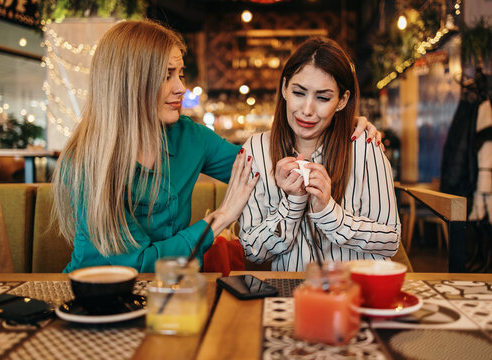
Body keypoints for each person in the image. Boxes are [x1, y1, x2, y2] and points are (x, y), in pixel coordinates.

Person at [52, 20, 383, 273]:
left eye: (180, 73)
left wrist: (340, 123)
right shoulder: (86, 160)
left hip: (171, 288)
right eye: (167, 75)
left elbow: (271, 169)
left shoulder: (190, 137)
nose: (181, 87)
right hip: (93, 294)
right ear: (130, 83)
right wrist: (222, 217)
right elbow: (127, 266)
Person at [238, 37, 401, 271]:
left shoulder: (364, 146)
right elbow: (252, 250)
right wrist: (293, 202)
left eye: (323, 98)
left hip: (356, 291)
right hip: (292, 292)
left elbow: (391, 241)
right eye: (299, 93)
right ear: (284, 88)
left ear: (342, 100)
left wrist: (328, 212)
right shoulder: (257, 149)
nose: (307, 110)